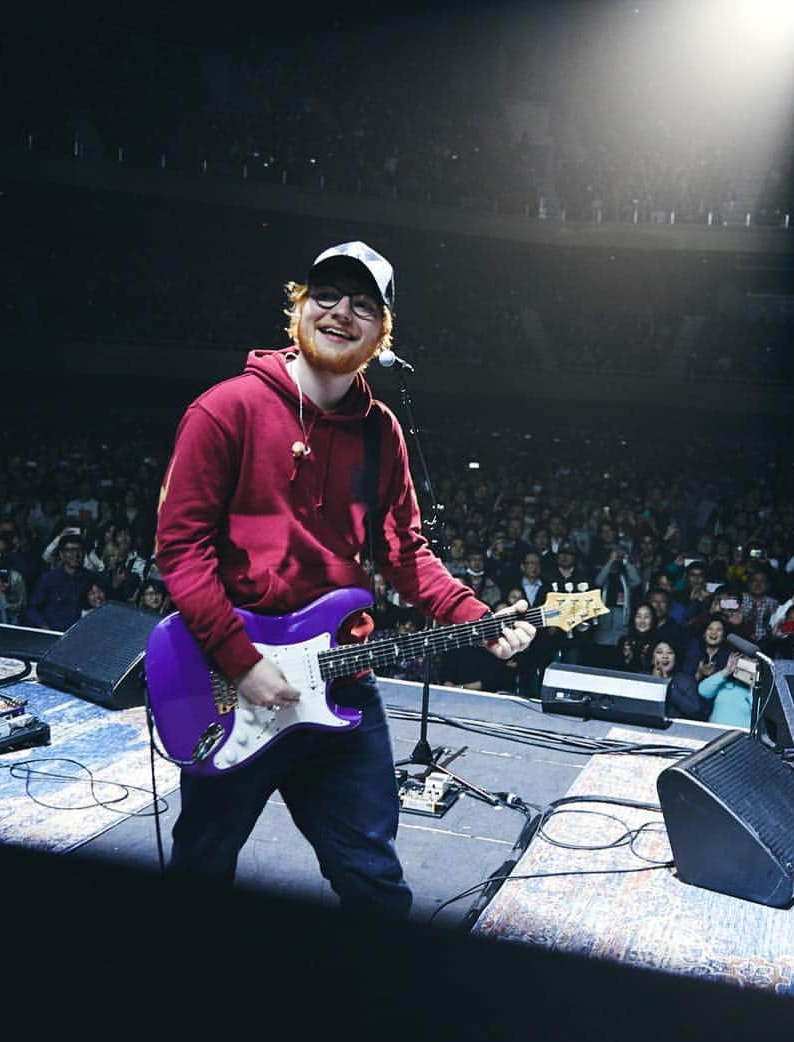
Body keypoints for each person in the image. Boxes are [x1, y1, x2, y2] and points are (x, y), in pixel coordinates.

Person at [153, 240, 534, 918]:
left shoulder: (382, 433)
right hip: (234, 685)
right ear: (297, 306)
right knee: (202, 865)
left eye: (364, 304)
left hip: (341, 682)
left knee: (374, 882)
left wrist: (476, 617)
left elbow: (404, 552)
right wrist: (241, 664)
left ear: (381, 334)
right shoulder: (226, 410)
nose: (341, 312)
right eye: (326, 294)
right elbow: (181, 552)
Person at [25, 533, 97, 631]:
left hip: (83, 635)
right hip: (54, 636)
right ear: (61, 554)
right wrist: (44, 627)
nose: (75, 554)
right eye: (70, 550)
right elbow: (32, 609)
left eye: (78, 550)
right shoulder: (49, 579)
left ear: (84, 553)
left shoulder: (91, 578)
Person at [651, 638, 706, 722]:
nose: (665, 656)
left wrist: (666, 683)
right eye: (659, 652)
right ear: (652, 657)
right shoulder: (642, 677)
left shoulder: (685, 681)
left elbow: (695, 710)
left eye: (670, 653)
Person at [697, 652, 753, 729]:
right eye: (744, 661)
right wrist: (727, 670)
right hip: (714, 735)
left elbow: (759, 713)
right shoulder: (725, 684)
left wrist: (753, 686)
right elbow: (703, 690)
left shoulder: (759, 692)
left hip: (739, 738)